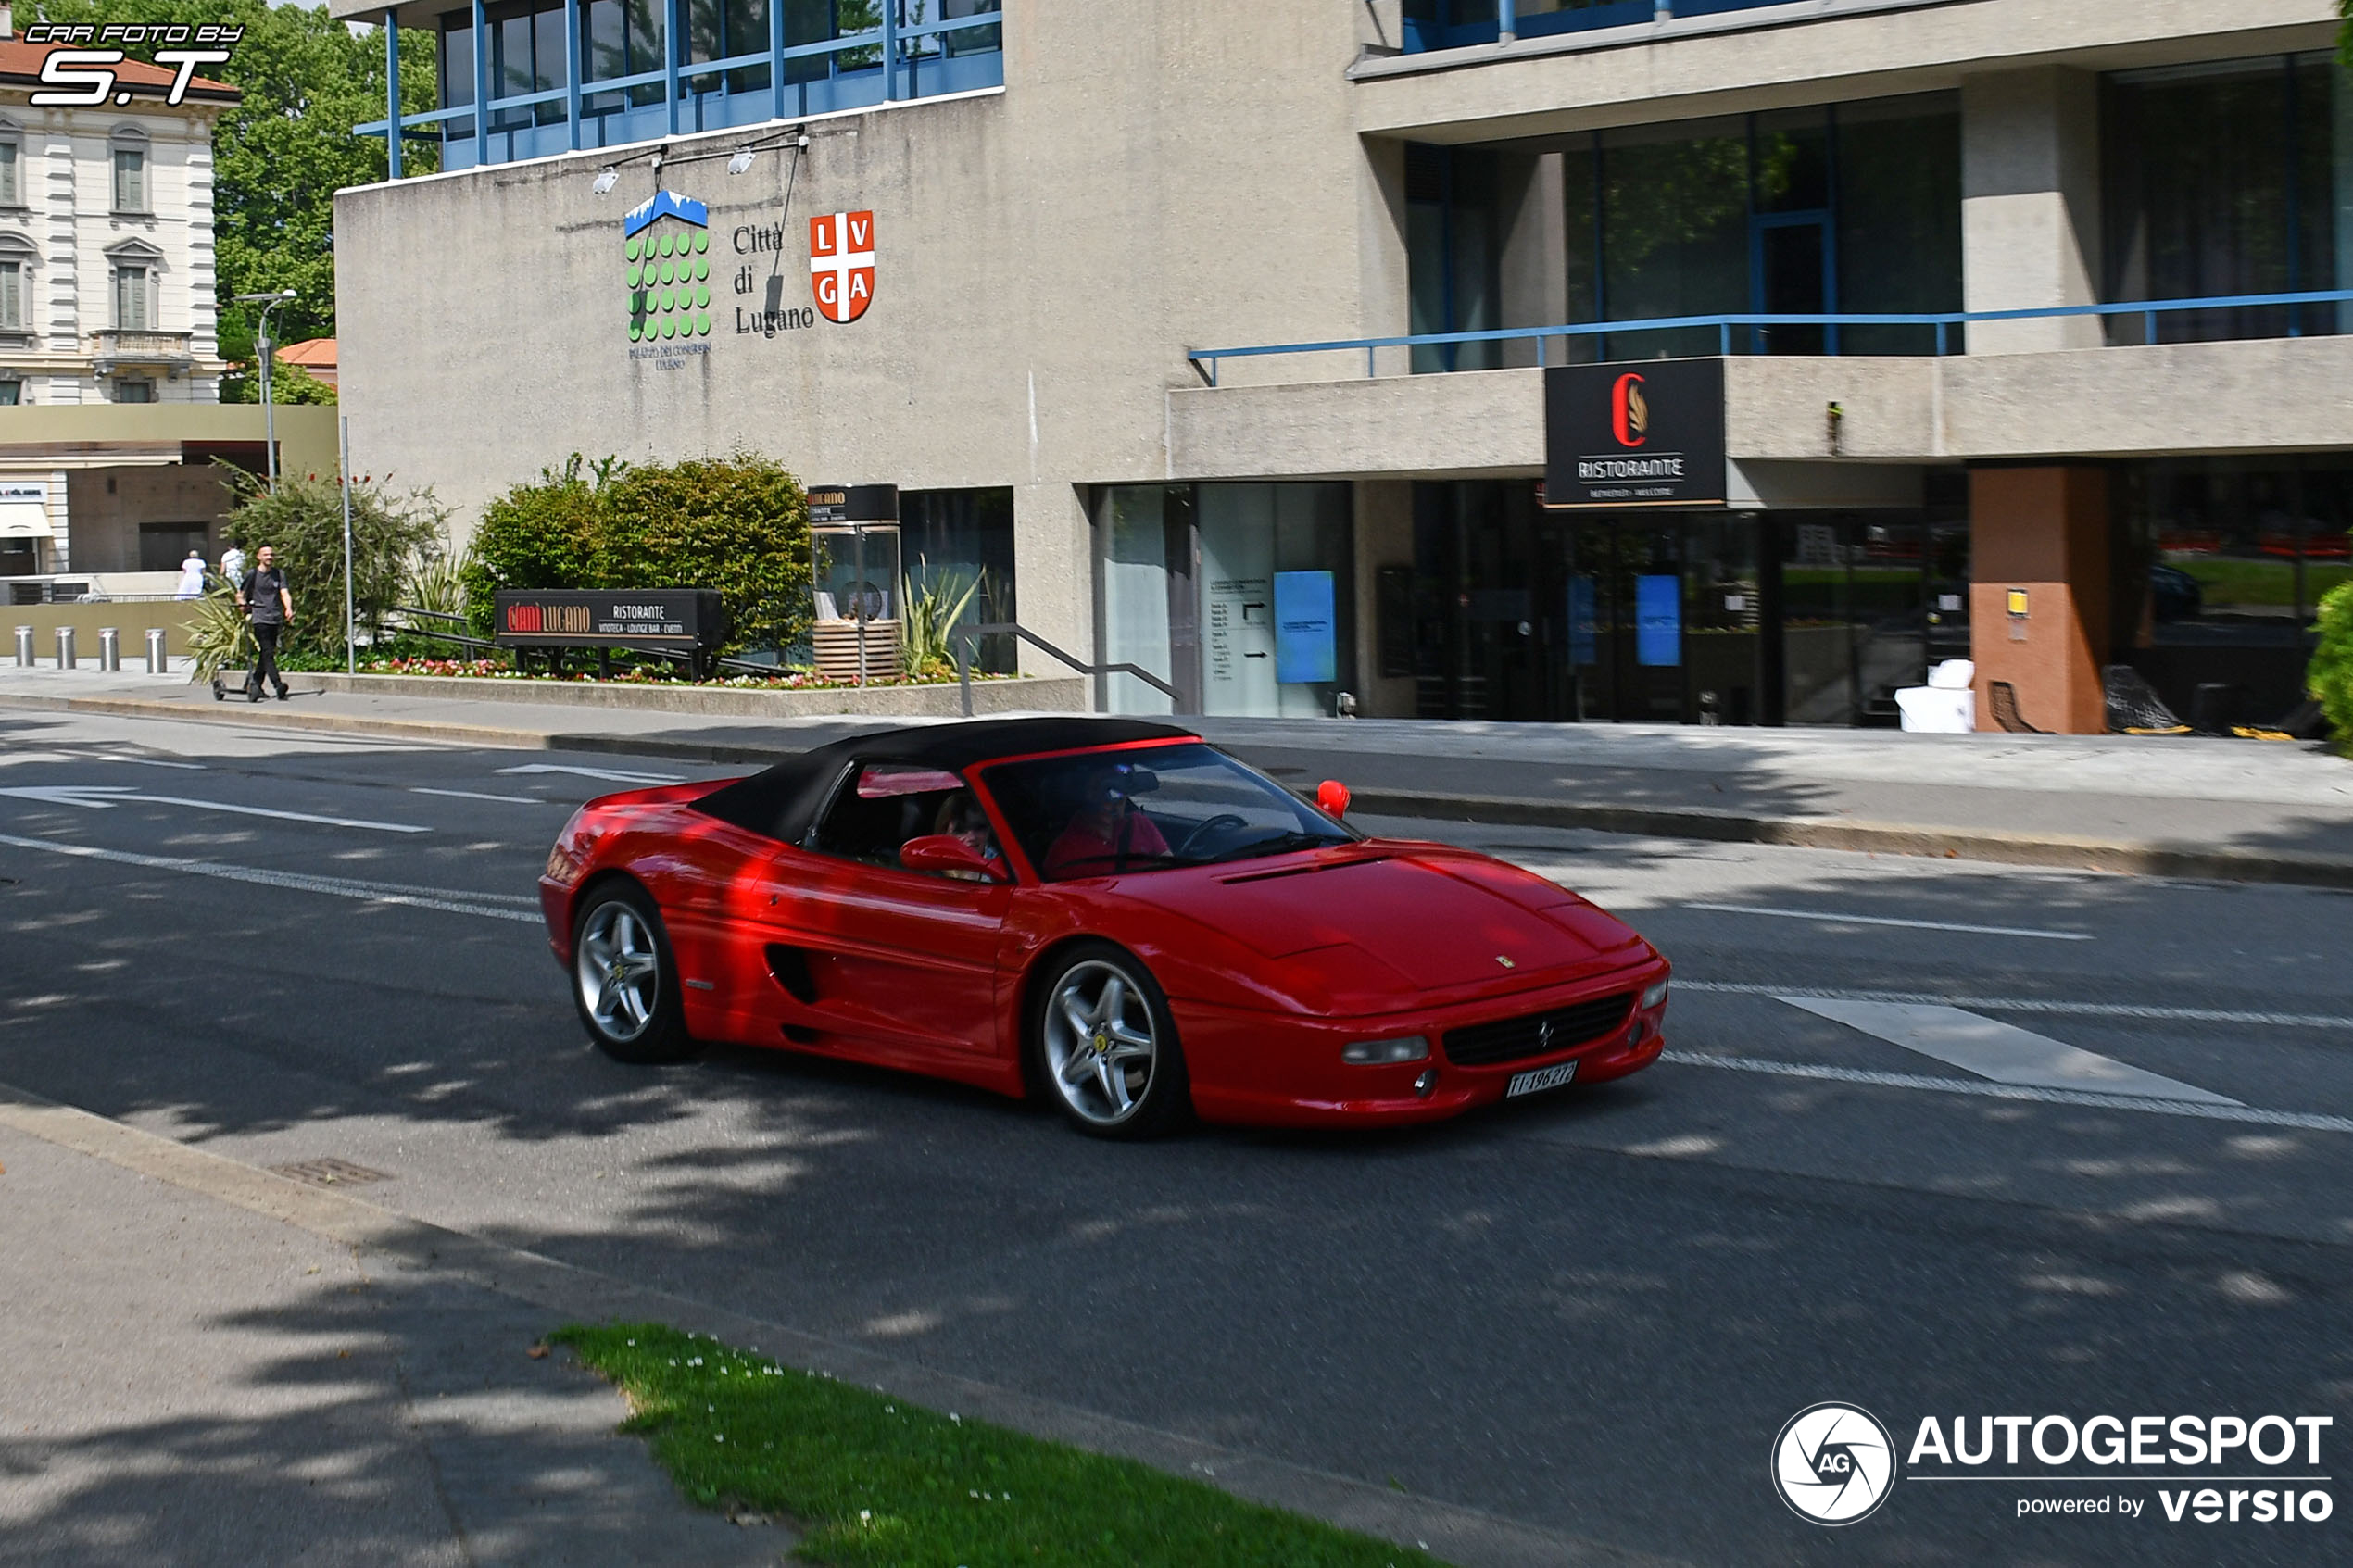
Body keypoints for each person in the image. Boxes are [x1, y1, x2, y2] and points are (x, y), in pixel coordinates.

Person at [1042, 762, 1169, 878]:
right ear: (1084, 794)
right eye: (1098, 788)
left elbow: (1170, 868)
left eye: (1116, 789)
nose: (1109, 799)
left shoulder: (1139, 823)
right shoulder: (1064, 851)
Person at [235, 545, 293, 702]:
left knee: (266, 653)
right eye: (266, 554)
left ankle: (256, 685)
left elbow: (284, 593)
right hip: (259, 617)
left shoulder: (278, 574)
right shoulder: (252, 574)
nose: (269, 557)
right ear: (259, 557)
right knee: (267, 651)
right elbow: (240, 594)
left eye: (271, 554)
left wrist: (288, 608)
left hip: (275, 617)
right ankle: (278, 685)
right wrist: (242, 605)